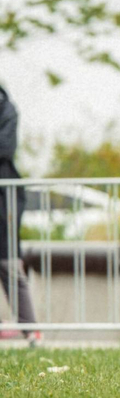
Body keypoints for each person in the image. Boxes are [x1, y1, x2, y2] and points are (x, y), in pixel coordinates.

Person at [0, 85, 41, 347]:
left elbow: (5, 148)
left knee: (8, 264)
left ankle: (31, 328)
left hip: (5, 198)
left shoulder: (6, 108)